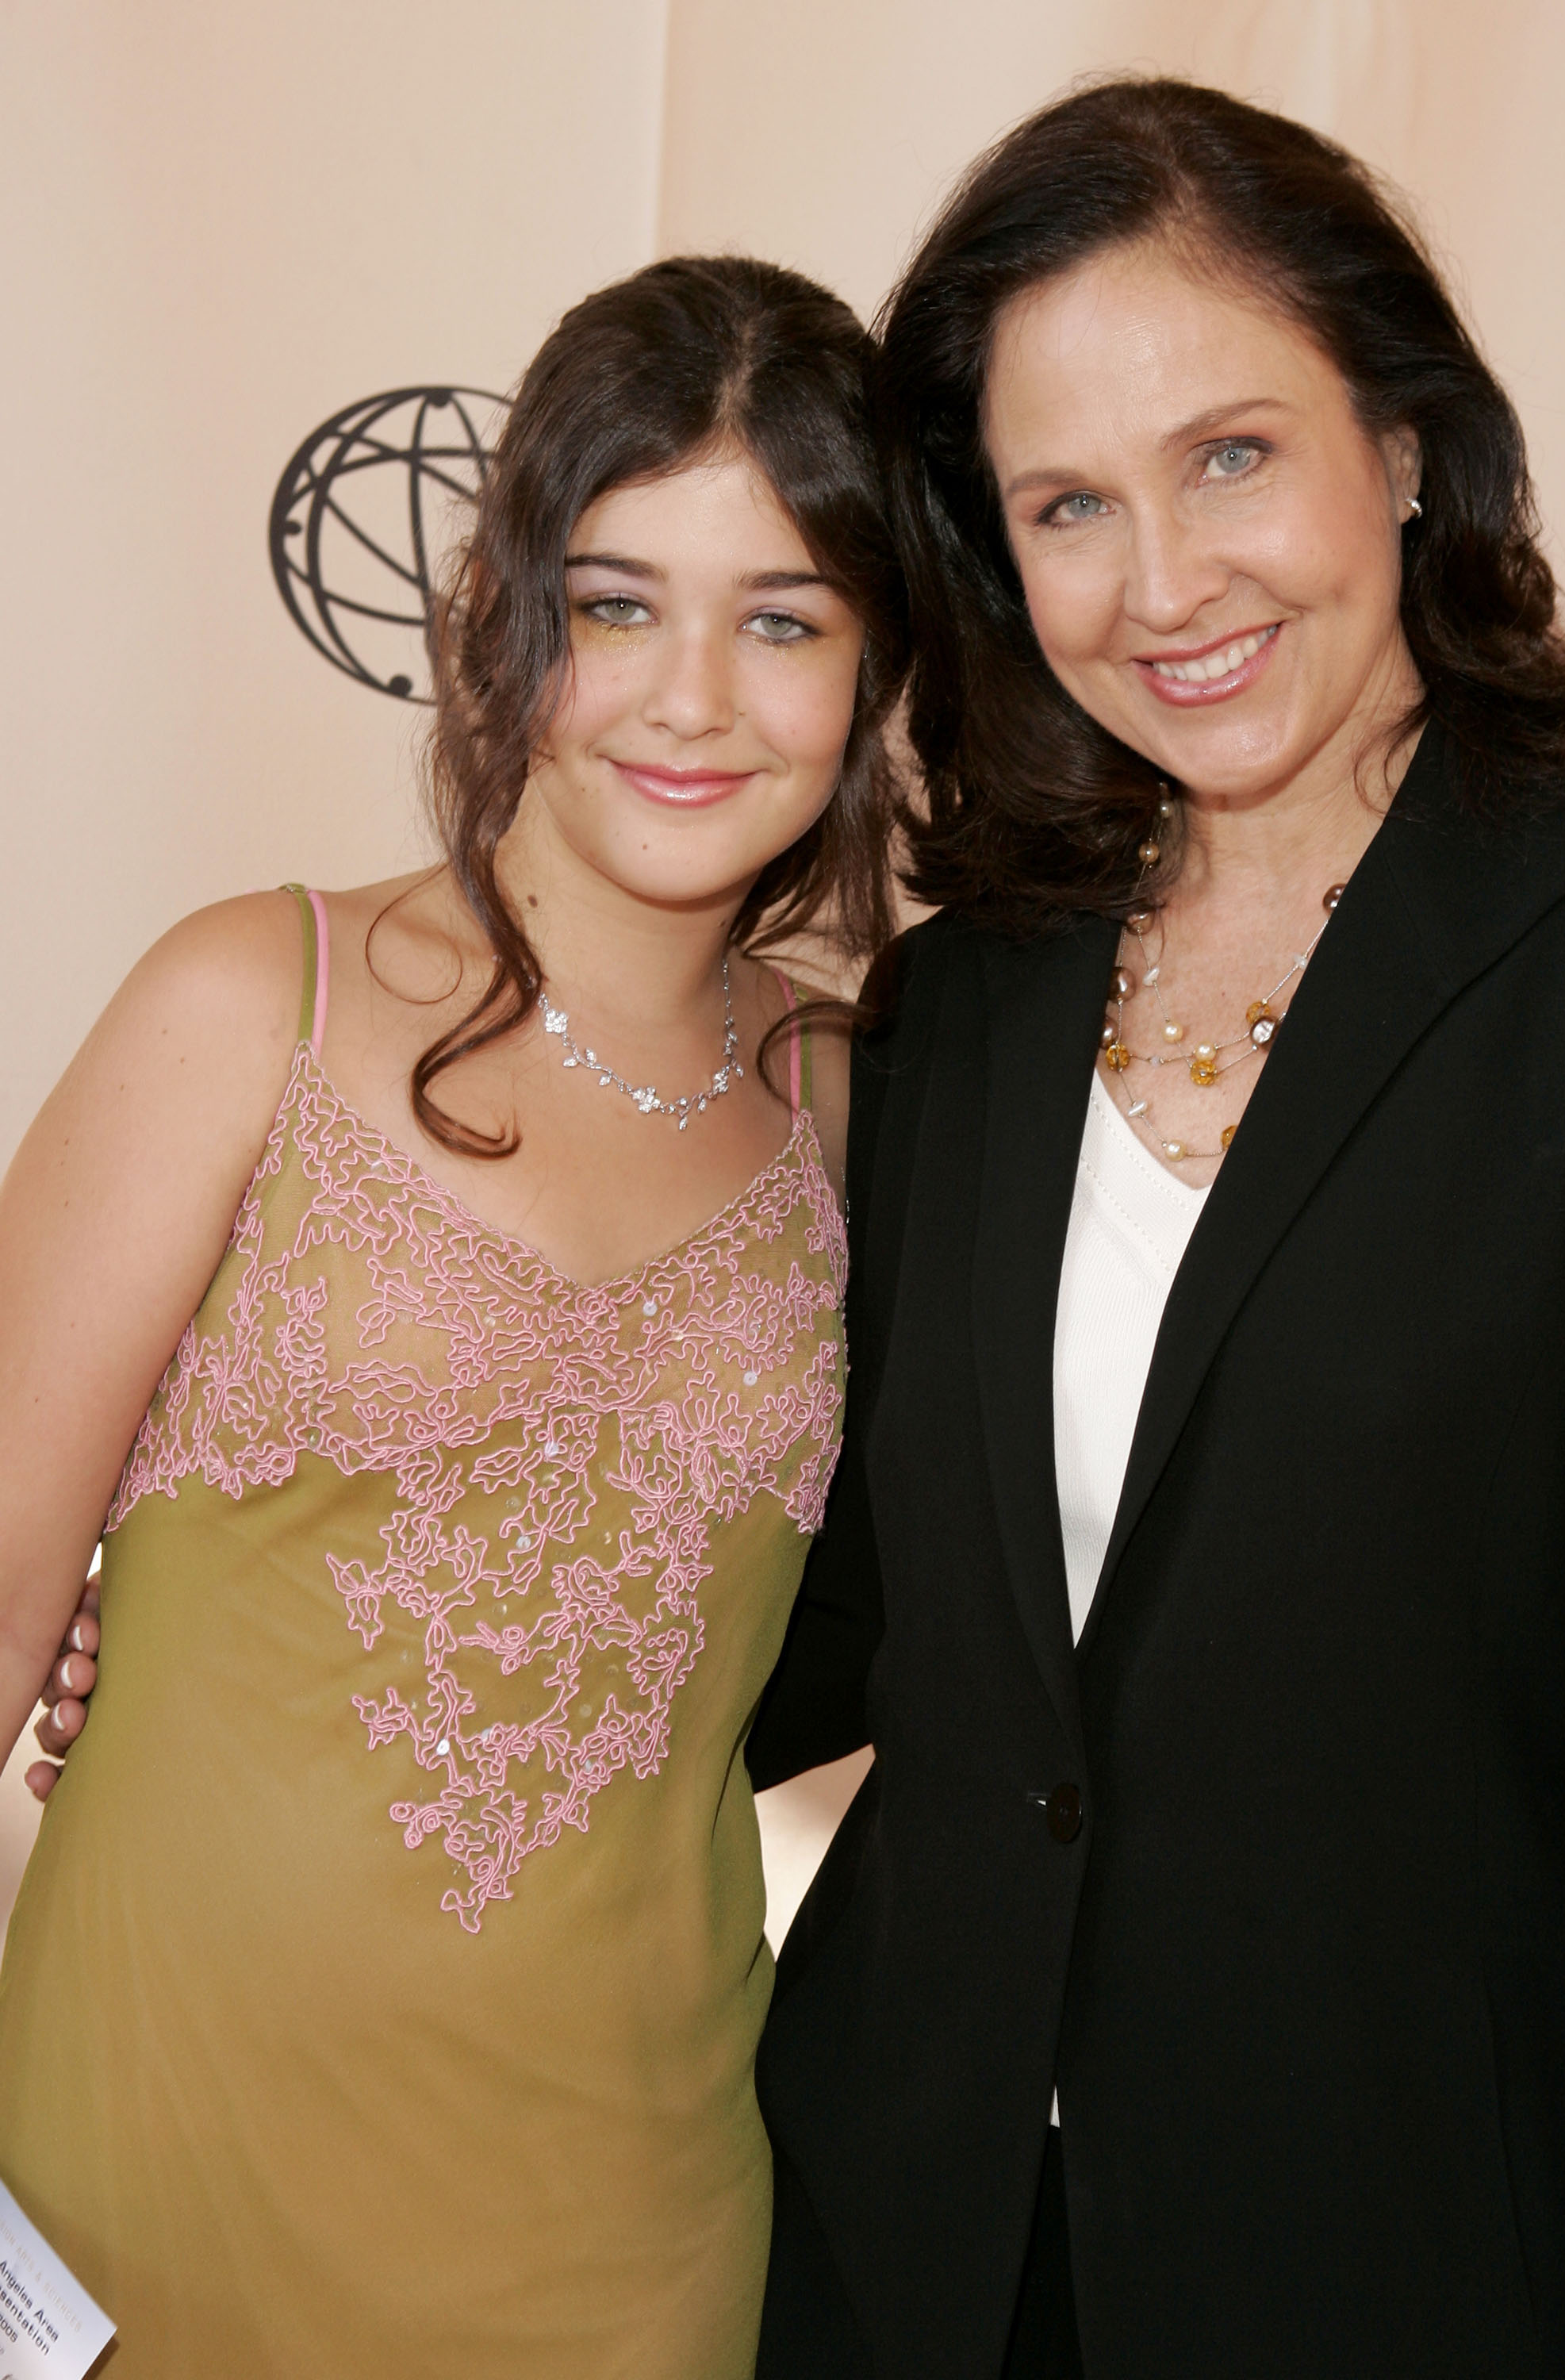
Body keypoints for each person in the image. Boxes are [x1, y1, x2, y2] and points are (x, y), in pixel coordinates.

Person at [744, 78, 1565, 2378]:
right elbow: (857, 1613)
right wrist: (333, 1629)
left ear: (1406, 444)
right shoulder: (965, 994)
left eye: (1230, 455)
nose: (1161, 586)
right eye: (1066, 505)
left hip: (1400, 2268)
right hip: (905, 2248)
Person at [0, 252, 904, 2378]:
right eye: (618, 603)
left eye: (781, 620)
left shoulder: (882, 1117)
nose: (694, 697)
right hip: (152, 2183)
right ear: (499, 623)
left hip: (633, 2235)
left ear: (875, 682)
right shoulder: (250, 1000)